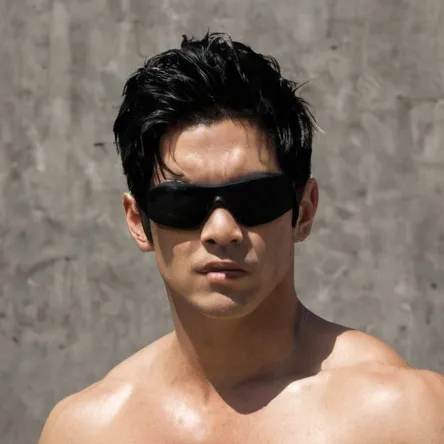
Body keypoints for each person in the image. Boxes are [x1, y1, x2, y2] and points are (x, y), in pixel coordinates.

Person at [39, 32, 444, 444]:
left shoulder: (402, 414)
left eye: (254, 197)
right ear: (138, 220)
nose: (221, 231)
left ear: (304, 210)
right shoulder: (87, 430)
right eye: (182, 201)